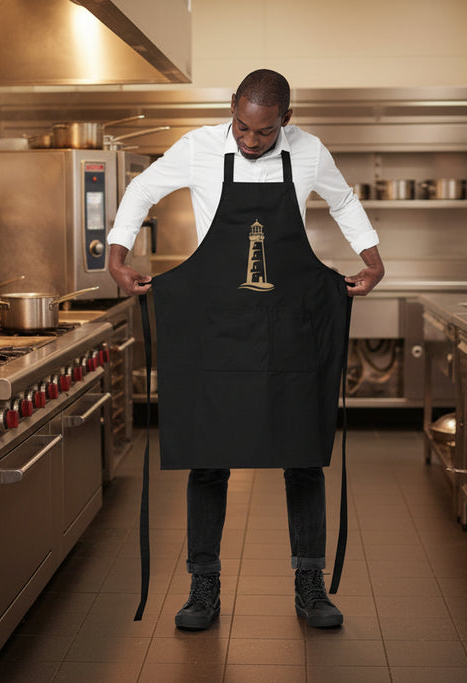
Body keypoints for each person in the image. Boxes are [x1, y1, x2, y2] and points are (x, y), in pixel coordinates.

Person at [108, 68, 384, 631]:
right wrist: (117, 250)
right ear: (232, 108)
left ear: (287, 118)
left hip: (286, 335)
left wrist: (372, 255)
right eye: (241, 126)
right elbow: (141, 190)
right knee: (209, 460)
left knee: (303, 457)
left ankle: (310, 586)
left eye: (262, 132)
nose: (249, 141)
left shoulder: (309, 153)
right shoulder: (199, 147)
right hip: (220, 333)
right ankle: (201, 587)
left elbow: (343, 200)